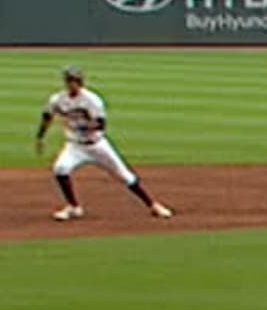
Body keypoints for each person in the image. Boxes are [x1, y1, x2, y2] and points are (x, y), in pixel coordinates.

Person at [34, 67, 172, 222]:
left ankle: (153, 205)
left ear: (80, 82)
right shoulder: (58, 99)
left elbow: (100, 124)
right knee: (60, 169)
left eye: (75, 81)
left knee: (125, 176)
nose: (72, 84)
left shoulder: (91, 100)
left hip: (97, 145)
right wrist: (40, 137)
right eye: (69, 81)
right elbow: (47, 116)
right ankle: (73, 207)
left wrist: (82, 127)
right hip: (75, 146)